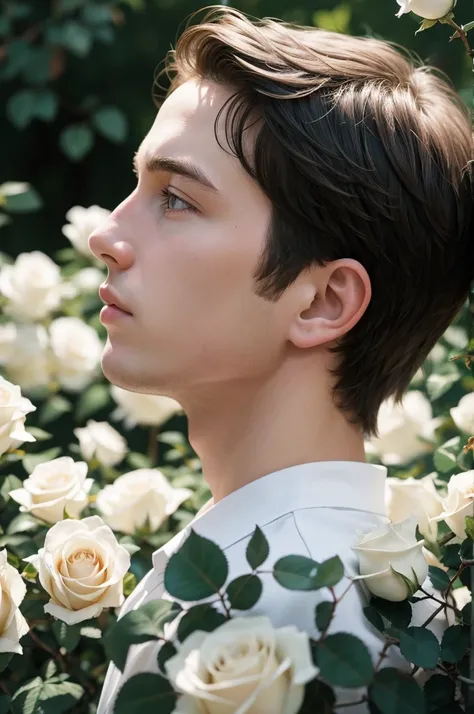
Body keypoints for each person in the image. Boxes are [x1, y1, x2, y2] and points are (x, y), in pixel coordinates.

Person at [90, 6, 473, 712]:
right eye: (138, 184)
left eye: (175, 199)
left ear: (323, 301)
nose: (106, 235)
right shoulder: (389, 591)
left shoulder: (278, 614)